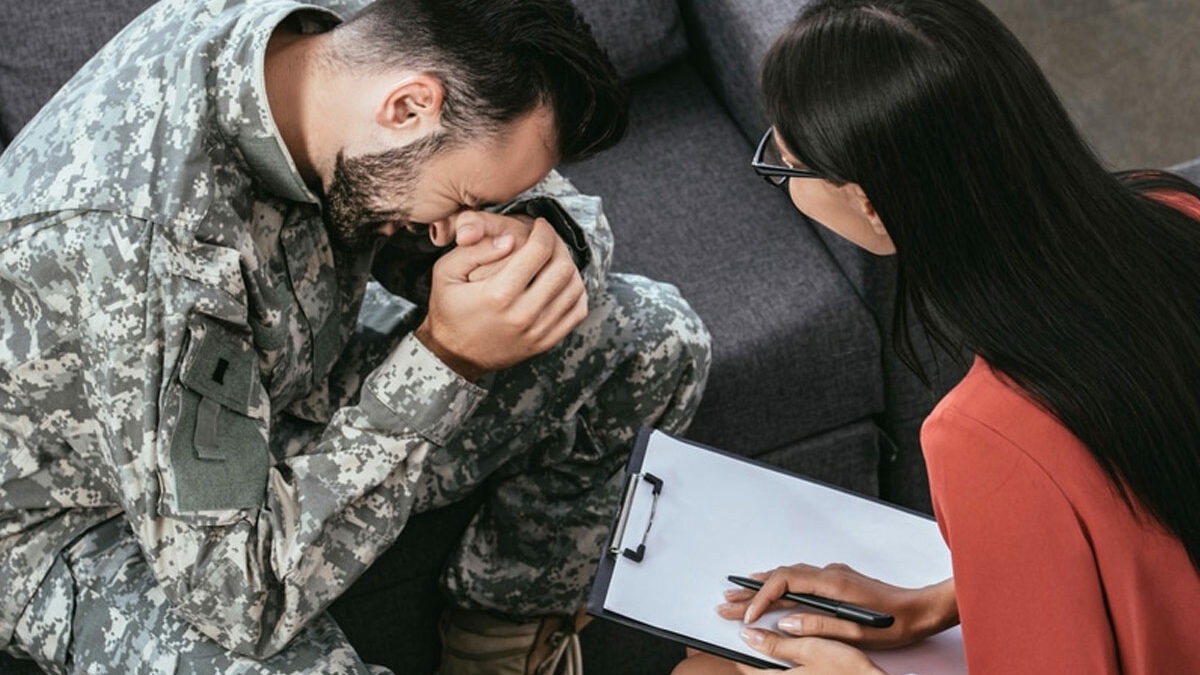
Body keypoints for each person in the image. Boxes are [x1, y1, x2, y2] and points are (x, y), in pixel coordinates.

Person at [0, 0, 712, 673]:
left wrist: (538, 237)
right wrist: (447, 359)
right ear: (408, 108)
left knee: (651, 339)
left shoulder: (351, 49)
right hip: (85, 511)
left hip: (287, 386)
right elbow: (238, 594)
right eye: (466, 203)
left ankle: (499, 641)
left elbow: (492, 196)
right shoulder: (155, 250)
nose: (450, 234)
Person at [673, 0, 1200, 673]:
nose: (780, 168)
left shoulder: (984, 436)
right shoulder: (1174, 211)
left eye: (788, 165)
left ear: (869, 203)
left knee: (705, 666)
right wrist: (939, 602)